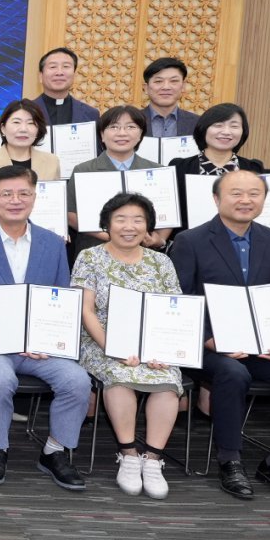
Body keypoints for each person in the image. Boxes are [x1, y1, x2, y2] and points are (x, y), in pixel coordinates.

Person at [171, 169, 270, 502]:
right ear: (216, 198)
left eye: (254, 194)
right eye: (236, 193)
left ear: (264, 200)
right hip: (208, 346)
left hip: (262, 345)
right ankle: (229, 459)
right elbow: (179, 299)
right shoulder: (190, 241)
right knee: (233, 373)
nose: (245, 200)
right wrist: (209, 339)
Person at [0, 165, 91, 491]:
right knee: (0, 378)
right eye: (6, 194)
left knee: (77, 380)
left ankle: (54, 451)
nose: (15, 200)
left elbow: (61, 297)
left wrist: (48, 339)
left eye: (23, 193)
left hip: (37, 345)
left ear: (34, 197)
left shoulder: (53, 244)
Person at [73, 192, 184, 499]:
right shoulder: (89, 257)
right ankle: (129, 454)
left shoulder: (161, 261)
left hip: (153, 341)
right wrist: (114, 348)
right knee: (119, 376)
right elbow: (86, 311)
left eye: (138, 220)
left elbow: (174, 308)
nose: (129, 226)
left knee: (167, 380)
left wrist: (161, 349)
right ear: (107, 224)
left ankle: (153, 459)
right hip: (101, 340)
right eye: (120, 219)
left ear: (148, 227)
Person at [66, 105, 170, 256]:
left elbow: (168, 212)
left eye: (130, 127)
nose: (122, 133)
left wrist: (159, 238)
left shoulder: (157, 171)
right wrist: (109, 236)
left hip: (144, 251)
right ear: (102, 134)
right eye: (114, 127)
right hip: (95, 250)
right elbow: (71, 214)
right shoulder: (84, 169)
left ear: (141, 134)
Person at [0, 99, 61, 231]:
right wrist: (3, 227)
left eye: (31, 123)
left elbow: (56, 206)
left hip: (41, 235)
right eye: (16, 122)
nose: (23, 129)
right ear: (3, 128)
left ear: (38, 129)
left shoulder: (52, 162)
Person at [169, 102, 266, 181]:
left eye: (234, 126)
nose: (226, 132)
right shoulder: (180, 167)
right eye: (218, 125)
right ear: (203, 129)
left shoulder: (254, 168)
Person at [32, 47, 99, 126]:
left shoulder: (91, 114)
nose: (59, 72)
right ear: (40, 76)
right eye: (53, 67)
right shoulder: (25, 111)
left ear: (75, 75)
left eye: (66, 66)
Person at [141, 57, 199, 139]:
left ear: (183, 86)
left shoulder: (198, 123)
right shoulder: (131, 121)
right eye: (158, 81)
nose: (166, 87)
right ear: (146, 88)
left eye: (174, 81)